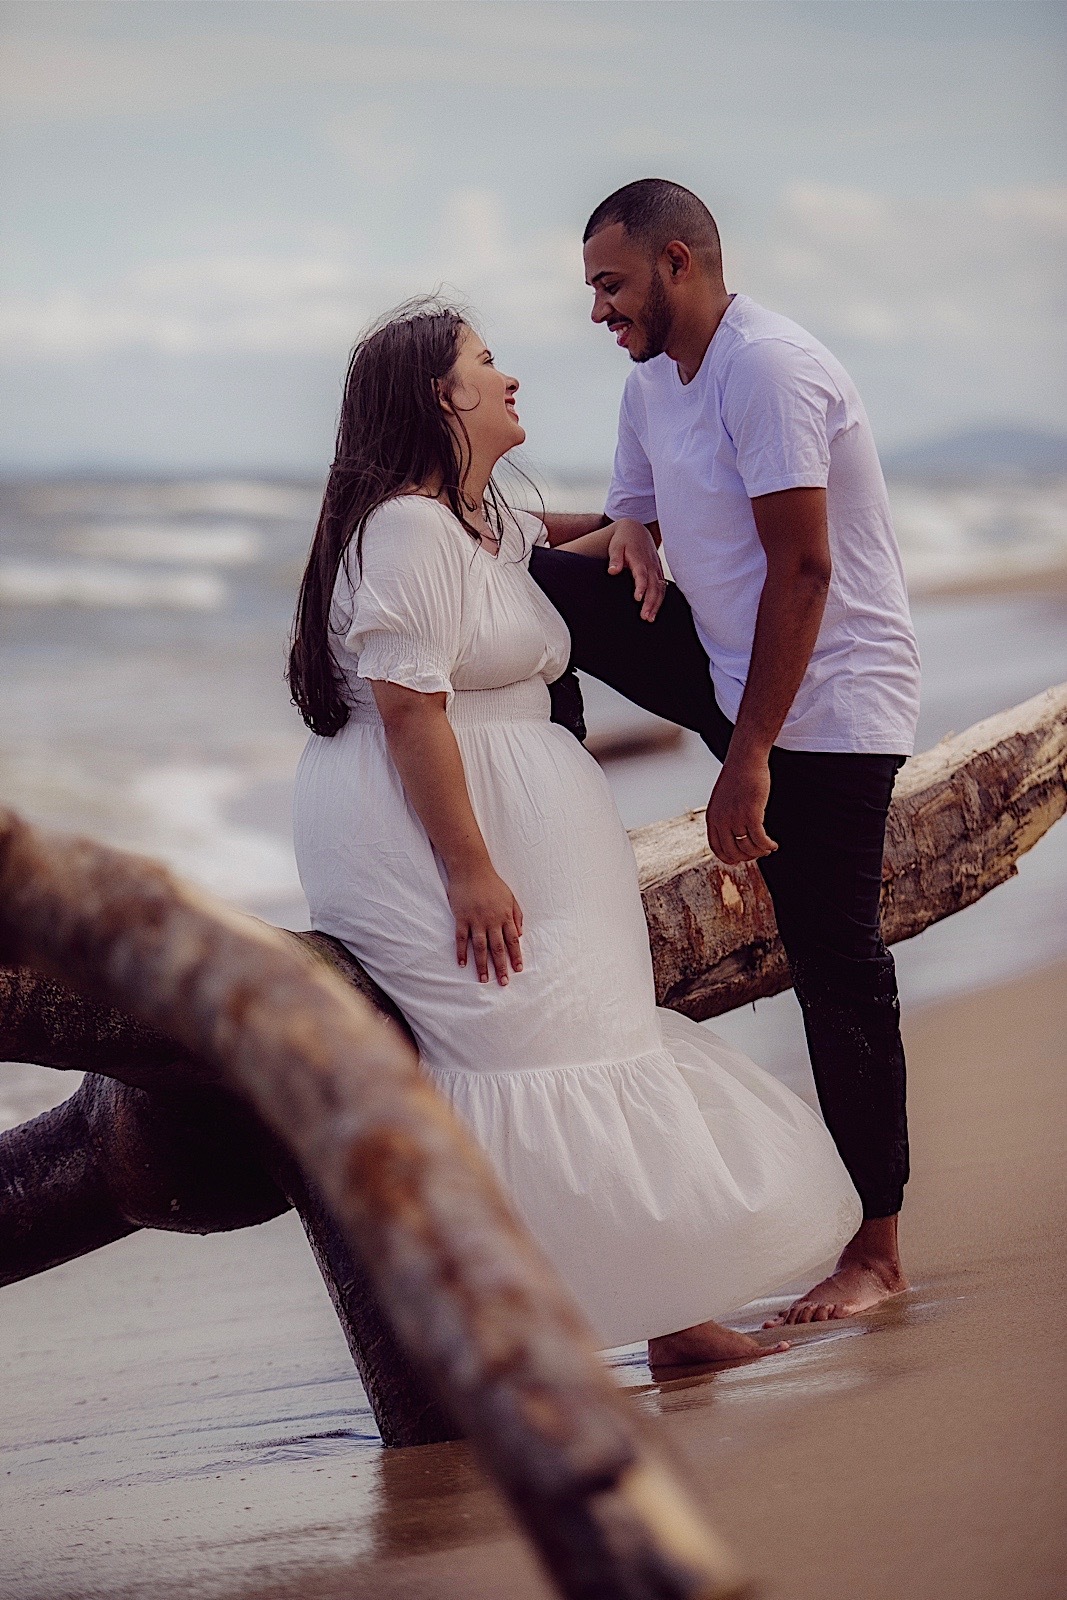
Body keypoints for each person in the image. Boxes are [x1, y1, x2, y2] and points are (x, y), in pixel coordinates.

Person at [289, 299, 861, 1367]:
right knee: (520, 1055)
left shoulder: (471, 520)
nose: (508, 377)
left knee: (594, 1040)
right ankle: (495, 1338)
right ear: (436, 397)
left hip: (525, 820)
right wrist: (469, 871)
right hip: (440, 838)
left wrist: (631, 527)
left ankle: (671, 1320)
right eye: (484, 362)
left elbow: (549, 544)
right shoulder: (407, 529)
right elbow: (411, 709)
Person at [528, 179, 921, 1326]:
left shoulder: (769, 368)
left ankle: (878, 1247)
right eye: (592, 288)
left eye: (611, 283)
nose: (599, 309)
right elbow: (623, 521)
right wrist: (598, 530)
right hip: (723, 663)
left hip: (825, 702)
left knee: (834, 962)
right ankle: (554, 808)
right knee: (536, 584)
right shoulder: (652, 377)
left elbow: (804, 569)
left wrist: (742, 760)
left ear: (679, 263)